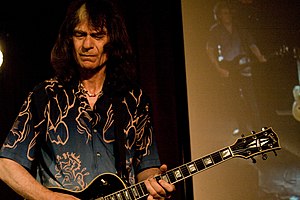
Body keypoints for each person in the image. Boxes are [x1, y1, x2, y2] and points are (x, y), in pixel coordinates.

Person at [0, 0, 175, 199]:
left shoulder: (134, 100)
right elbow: (6, 165)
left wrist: (154, 185)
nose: (87, 45)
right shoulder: (46, 95)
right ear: (70, 39)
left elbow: (146, 167)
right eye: (79, 35)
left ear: (113, 41)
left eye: (97, 36)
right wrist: (50, 197)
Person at [206, 1, 267, 135]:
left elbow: (251, 44)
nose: (228, 15)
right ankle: (242, 127)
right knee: (235, 100)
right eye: (224, 13)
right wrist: (218, 68)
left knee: (251, 99)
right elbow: (209, 49)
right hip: (228, 69)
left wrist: (259, 56)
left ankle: (258, 129)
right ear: (219, 15)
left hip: (244, 67)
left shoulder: (240, 27)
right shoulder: (215, 30)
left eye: (229, 12)